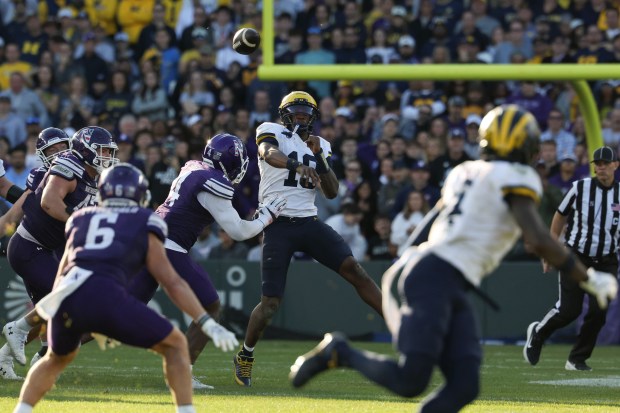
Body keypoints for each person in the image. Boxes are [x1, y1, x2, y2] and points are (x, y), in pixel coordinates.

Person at [288, 105, 618, 412]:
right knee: (411, 380)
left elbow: (431, 221)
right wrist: (586, 276)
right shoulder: (517, 177)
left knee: (464, 385)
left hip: (438, 276)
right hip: (436, 277)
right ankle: (340, 352)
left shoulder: (465, 171)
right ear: (525, 146)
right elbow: (537, 236)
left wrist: (403, 262)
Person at [11, 163, 238, 413]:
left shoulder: (79, 218)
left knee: (55, 359)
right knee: (175, 345)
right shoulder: (146, 220)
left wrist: (56, 310)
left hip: (69, 297)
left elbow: (62, 274)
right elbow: (172, 282)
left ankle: (22, 410)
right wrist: (205, 321)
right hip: (108, 295)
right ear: (139, 194)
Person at [233, 91, 383, 387]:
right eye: (296, 111)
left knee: (355, 270)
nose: (301, 116)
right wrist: (296, 164)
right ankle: (245, 355)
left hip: (309, 221)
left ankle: (400, 325)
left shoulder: (322, 144)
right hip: (277, 224)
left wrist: (320, 161)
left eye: (306, 112)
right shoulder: (270, 130)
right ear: (285, 113)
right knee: (271, 303)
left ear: (313, 116)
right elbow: (267, 154)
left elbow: (331, 191)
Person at [128, 133, 287, 389]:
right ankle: (182, 373)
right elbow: (238, 232)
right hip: (169, 246)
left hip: (151, 239)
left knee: (121, 308)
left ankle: (54, 347)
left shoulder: (193, 168)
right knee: (210, 305)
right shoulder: (212, 183)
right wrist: (266, 217)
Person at [1, 126, 118, 378]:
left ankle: (4, 359)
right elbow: (47, 203)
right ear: (86, 149)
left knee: (50, 313)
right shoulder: (68, 165)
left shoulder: (94, 175)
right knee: (69, 299)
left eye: (109, 151)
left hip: (48, 249)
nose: (107, 156)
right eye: (102, 150)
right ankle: (18, 330)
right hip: (30, 245)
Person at [524, 146, 620, 371]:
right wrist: (550, 248)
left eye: (606, 163)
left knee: (599, 312)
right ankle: (538, 333)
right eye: (597, 163)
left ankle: (576, 359)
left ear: (616, 165)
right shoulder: (580, 188)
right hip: (576, 256)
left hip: (606, 259)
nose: (601, 167)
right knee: (569, 310)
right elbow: (560, 215)